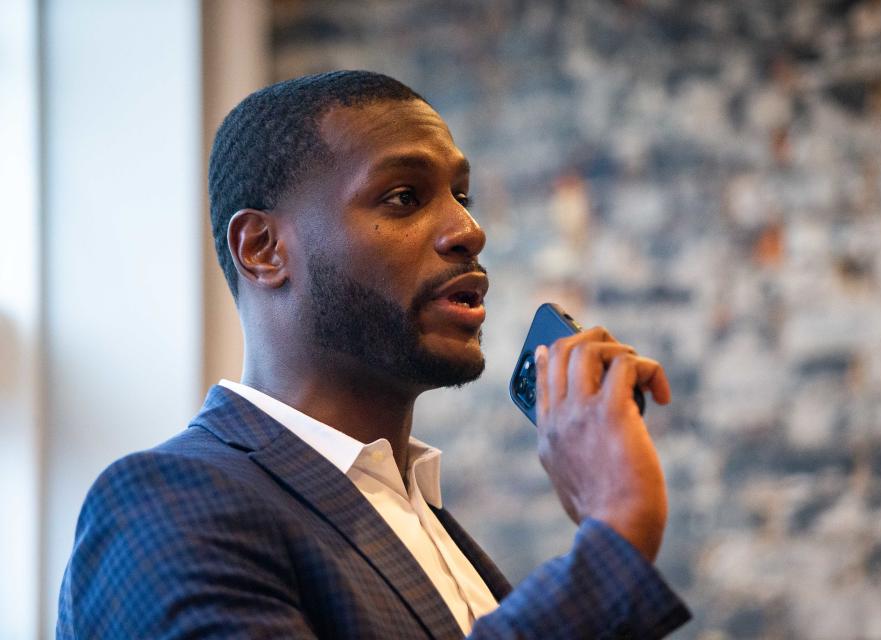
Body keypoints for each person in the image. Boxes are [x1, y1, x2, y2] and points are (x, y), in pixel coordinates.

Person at [57, 71, 691, 639]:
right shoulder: (165, 505)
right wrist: (615, 535)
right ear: (263, 249)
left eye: (461, 196)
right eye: (404, 198)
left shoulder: (420, 520)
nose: (469, 231)